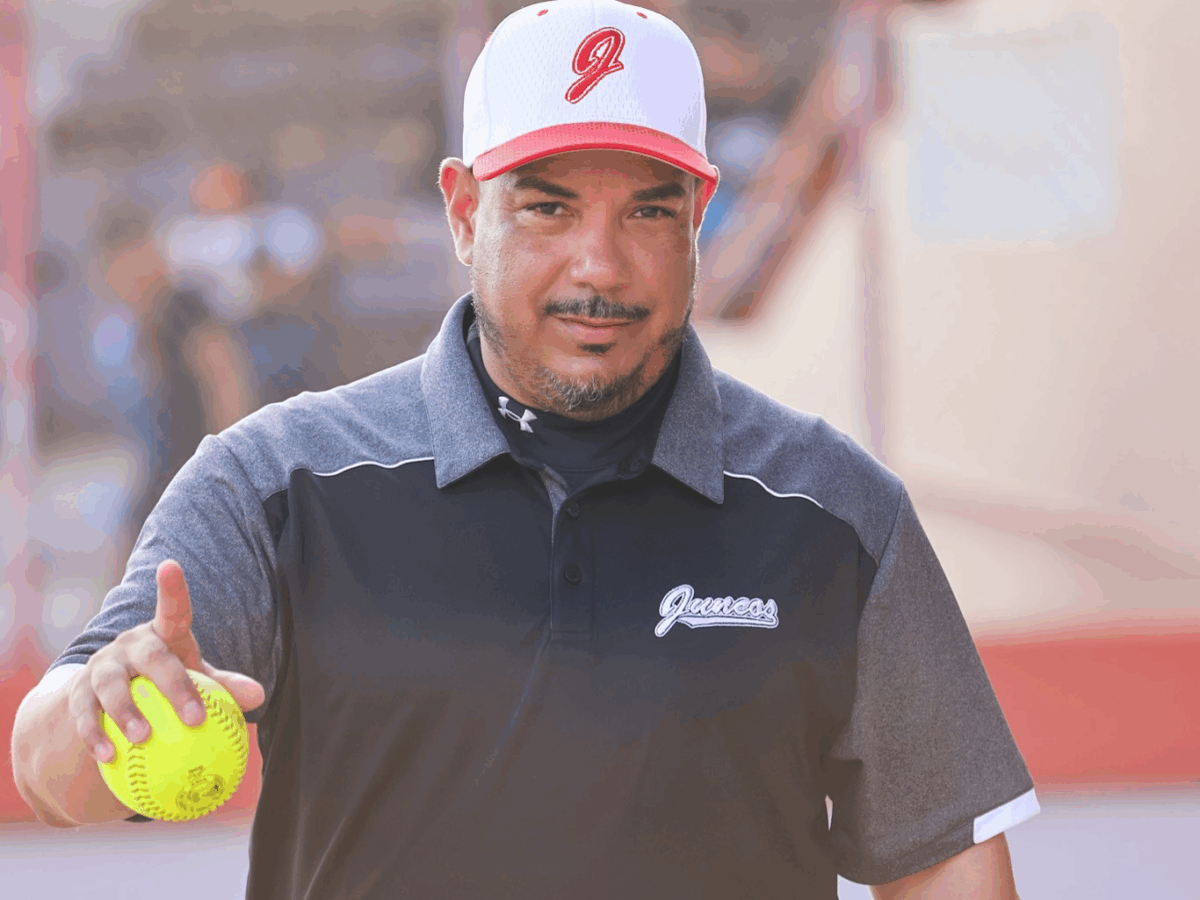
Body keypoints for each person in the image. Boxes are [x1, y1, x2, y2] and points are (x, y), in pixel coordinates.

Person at [11, 1, 1038, 897]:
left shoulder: (836, 509)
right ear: (464, 212)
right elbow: (53, 776)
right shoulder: (276, 483)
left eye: (648, 209)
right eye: (547, 207)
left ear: (702, 217)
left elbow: (939, 854)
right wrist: (95, 716)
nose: (600, 263)